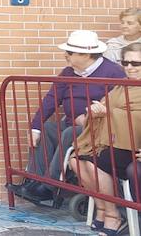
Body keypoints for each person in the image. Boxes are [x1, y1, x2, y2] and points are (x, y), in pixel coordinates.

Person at [14, 30, 125, 203]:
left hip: (99, 129)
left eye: (70, 52)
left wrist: (90, 115)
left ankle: (49, 187)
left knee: (69, 132)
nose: (65, 55)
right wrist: (35, 127)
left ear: (86, 54)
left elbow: (119, 105)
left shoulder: (113, 73)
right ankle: (34, 181)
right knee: (46, 129)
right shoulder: (68, 72)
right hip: (72, 123)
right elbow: (51, 100)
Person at [69, 42, 141, 236]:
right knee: (75, 160)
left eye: (136, 63)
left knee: (93, 163)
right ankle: (103, 209)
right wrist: (96, 110)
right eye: (125, 62)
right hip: (114, 140)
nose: (130, 67)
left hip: (132, 145)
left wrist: (108, 113)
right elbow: (105, 104)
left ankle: (113, 215)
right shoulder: (122, 85)